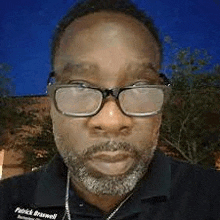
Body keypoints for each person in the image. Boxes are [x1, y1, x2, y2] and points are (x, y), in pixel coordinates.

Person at [1, 0, 220, 219]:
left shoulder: (211, 199)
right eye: (81, 87)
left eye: (140, 88)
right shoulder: (7, 202)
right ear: (51, 104)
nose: (111, 120)